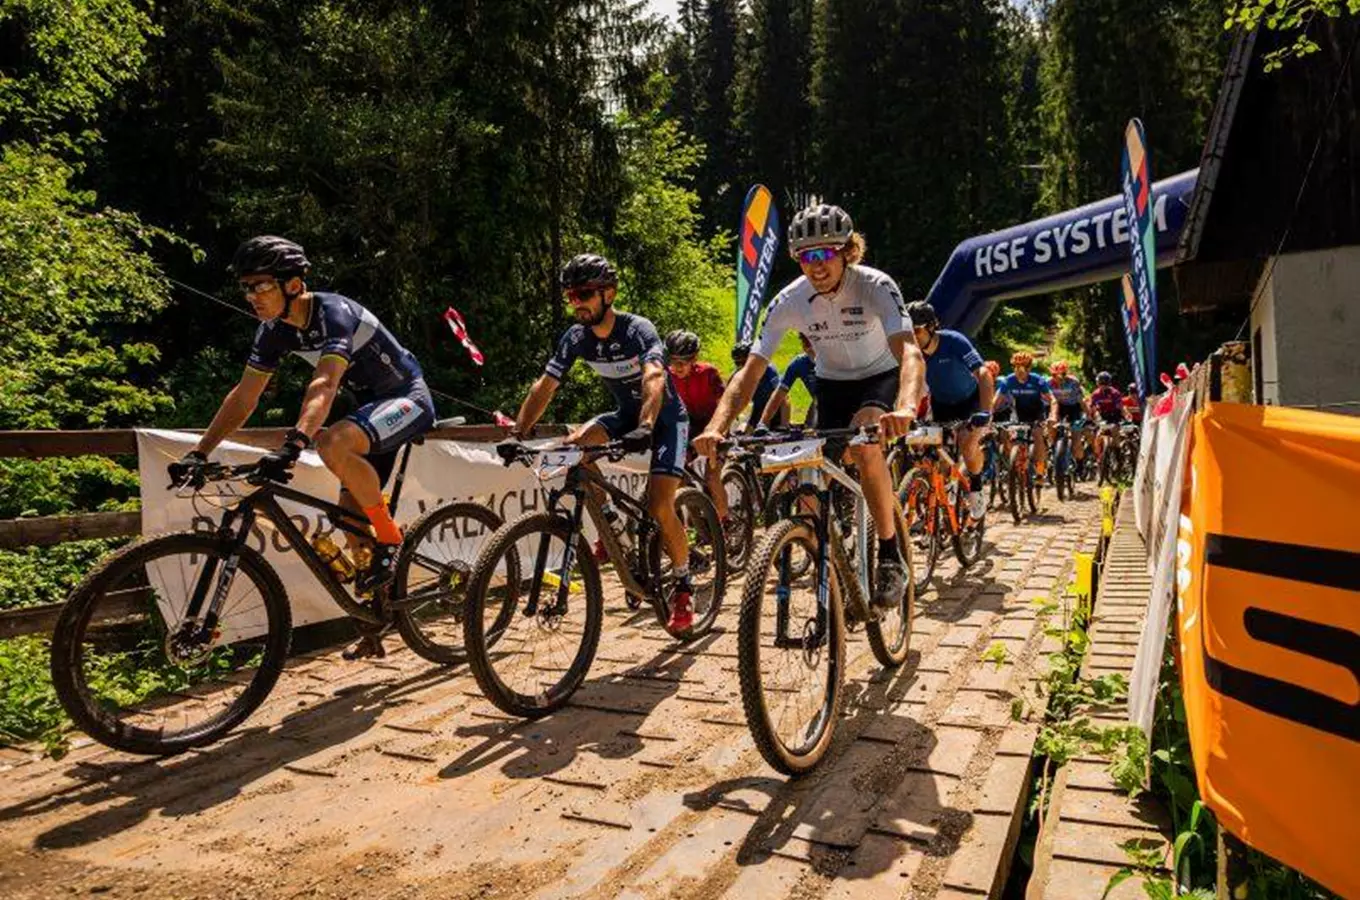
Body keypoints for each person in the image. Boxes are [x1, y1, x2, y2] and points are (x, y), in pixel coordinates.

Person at [167, 236, 434, 595]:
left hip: (407, 398)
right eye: (245, 287)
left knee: (331, 442)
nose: (251, 296)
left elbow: (325, 383)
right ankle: (376, 617)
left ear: (293, 285)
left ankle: (391, 539)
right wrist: (200, 452)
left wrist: (295, 443)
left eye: (260, 285)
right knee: (349, 518)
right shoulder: (273, 331)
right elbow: (245, 395)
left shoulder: (334, 314)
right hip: (370, 408)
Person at [694, 203, 926, 610]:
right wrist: (717, 426)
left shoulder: (876, 285)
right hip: (832, 384)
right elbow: (749, 372)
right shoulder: (789, 300)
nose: (815, 266)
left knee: (866, 442)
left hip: (878, 377)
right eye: (805, 256)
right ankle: (830, 553)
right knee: (809, 477)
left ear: (848, 251)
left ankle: (890, 554)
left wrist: (906, 406)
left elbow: (909, 352)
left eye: (825, 253)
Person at [500, 254, 698, 632]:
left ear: (608, 293)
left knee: (659, 505)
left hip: (666, 420)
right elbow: (545, 386)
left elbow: (655, 376)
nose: (577, 302)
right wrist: (517, 432)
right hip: (624, 414)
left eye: (585, 294)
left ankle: (684, 585)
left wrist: (646, 425)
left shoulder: (637, 329)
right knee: (574, 447)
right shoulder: (576, 337)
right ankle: (611, 526)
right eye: (571, 295)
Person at [906, 301, 993, 521]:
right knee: (932, 453)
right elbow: (909, 386)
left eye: (916, 330)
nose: (912, 337)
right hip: (942, 404)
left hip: (969, 401)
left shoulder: (953, 341)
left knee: (966, 442)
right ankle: (938, 502)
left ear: (931, 327)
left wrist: (985, 411)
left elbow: (983, 374)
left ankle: (975, 486)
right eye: (908, 331)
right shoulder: (912, 353)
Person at [665, 329, 729, 521]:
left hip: (714, 426)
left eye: (681, 363)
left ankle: (723, 523)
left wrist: (719, 431)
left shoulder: (708, 373)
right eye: (671, 361)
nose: (675, 367)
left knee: (711, 477)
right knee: (674, 477)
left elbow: (725, 405)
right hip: (689, 427)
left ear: (694, 359)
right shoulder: (666, 376)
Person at [993, 351, 1052, 479]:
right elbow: (996, 401)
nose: (1018, 370)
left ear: (1029, 368)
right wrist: (988, 416)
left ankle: (1040, 471)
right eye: (1015, 366)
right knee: (1008, 436)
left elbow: (1052, 400)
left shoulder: (1038, 380)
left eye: (1022, 367)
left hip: (1036, 412)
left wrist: (1052, 415)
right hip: (1018, 413)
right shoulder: (1008, 380)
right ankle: (1014, 463)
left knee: (1037, 436)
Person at [760, 333, 818, 427]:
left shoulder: (834, 357)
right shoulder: (800, 363)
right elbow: (780, 393)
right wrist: (763, 423)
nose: (805, 344)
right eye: (803, 341)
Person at [730, 342, 784, 429]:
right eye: (737, 363)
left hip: (774, 407)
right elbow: (727, 398)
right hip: (758, 407)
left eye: (743, 362)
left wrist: (784, 424)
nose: (740, 366)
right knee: (747, 431)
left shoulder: (768, 369)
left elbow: (783, 397)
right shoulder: (737, 373)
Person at [1048, 360, 1091, 464]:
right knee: (1051, 424)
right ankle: (1053, 446)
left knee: (1076, 437)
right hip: (1059, 407)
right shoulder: (1048, 383)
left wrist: (1088, 415)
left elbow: (1081, 400)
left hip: (1074, 408)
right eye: (1055, 375)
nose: (1059, 378)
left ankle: (1080, 462)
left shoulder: (1073, 382)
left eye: (1062, 374)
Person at [1088, 372, 1125, 461]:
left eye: (1105, 384)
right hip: (1103, 416)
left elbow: (1120, 407)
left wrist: (1125, 416)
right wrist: (1089, 417)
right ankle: (1098, 457)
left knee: (1114, 431)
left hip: (1114, 415)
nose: (1103, 386)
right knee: (1097, 435)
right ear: (1098, 383)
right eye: (1101, 383)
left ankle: (1118, 454)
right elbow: (1091, 407)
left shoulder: (1115, 393)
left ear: (1109, 383)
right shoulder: (1095, 394)